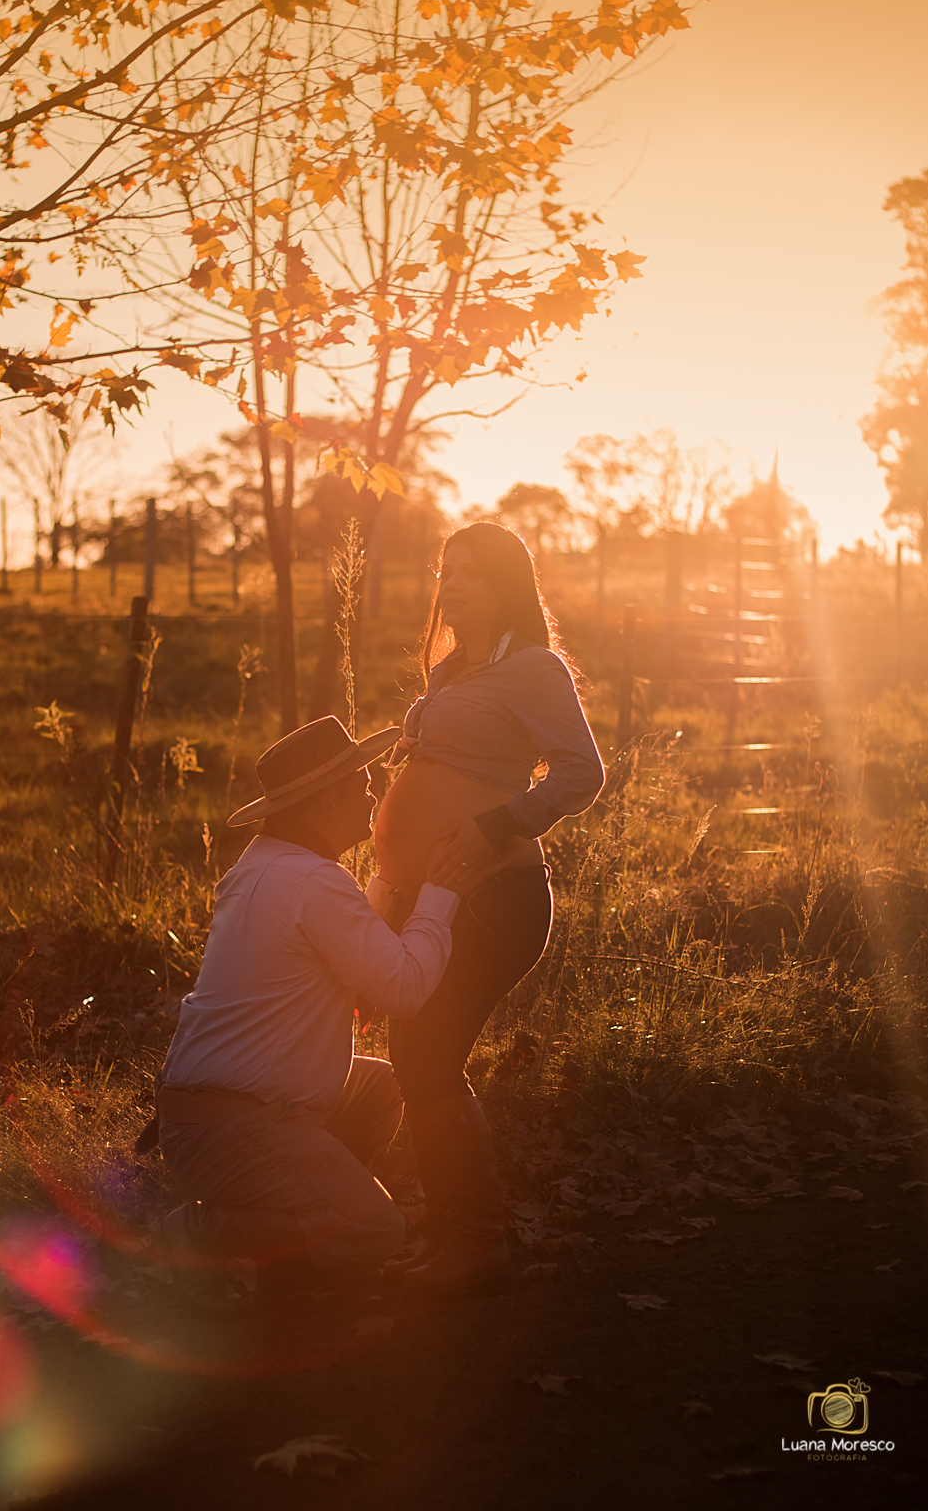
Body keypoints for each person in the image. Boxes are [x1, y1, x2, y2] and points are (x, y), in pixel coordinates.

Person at [151, 714, 496, 1308]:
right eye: (361, 783)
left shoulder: (261, 868)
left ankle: (303, 1218)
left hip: (203, 1117)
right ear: (325, 798)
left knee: (385, 1086)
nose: (370, 794)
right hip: (236, 1127)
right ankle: (197, 1236)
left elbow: (334, 938)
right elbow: (404, 987)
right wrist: (441, 895)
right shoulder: (312, 881)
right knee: (375, 1230)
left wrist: (391, 881)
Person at [370, 520, 605, 1295]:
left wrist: (498, 821)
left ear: (507, 584)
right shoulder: (449, 673)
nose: (454, 583)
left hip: (495, 898)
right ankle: (456, 1235)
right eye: (447, 569)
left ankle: (475, 1240)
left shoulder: (534, 668)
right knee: (419, 1058)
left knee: (427, 1057)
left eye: (471, 571)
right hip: (429, 897)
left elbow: (582, 774)